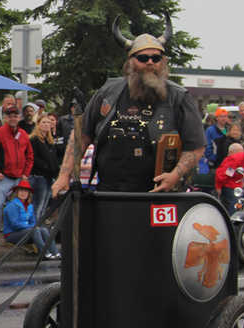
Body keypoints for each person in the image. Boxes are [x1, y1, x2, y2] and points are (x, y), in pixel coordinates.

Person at [51, 16, 205, 196]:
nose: (150, 62)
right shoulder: (108, 92)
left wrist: (175, 175)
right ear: (130, 61)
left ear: (163, 62)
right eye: (143, 57)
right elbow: (81, 136)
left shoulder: (179, 97)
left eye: (156, 58)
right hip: (109, 193)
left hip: (159, 195)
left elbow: (196, 147)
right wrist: (64, 176)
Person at [0, 103, 33, 244]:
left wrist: (26, 173)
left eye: (15, 116)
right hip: (3, 177)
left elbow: (30, 155)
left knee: (19, 206)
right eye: (10, 116)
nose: (13, 118)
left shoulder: (23, 134)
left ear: (19, 118)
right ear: (5, 118)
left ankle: (16, 233)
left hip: (19, 177)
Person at [3, 179, 59, 260]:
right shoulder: (12, 205)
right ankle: (44, 253)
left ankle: (55, 252)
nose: (23, 193)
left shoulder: (30, 206)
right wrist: (29, 226)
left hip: (26, 232)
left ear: (29, 194)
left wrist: (31, 227)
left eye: (26, 191)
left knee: (44, 230)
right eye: (21, 191)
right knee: (35, 230)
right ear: (17, 192)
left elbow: (33, 222)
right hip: (12, 235)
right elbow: (15, 225)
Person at [29, 113, 59, 219]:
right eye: (44, 122)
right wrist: (46, 167)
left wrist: (55, 171)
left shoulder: (50, 141)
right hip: (38, 176)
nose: (46, 124)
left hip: (49, 177)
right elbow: (34, 158)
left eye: (48, 122)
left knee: (44, 204)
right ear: (38, 124)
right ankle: (33, 229)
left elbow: (54, 159)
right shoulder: (34, 139)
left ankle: (38, 226)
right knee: (38, 204)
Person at [215, 143, 244, 215]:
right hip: (231, 186)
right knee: (234, 206)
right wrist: (218, 187)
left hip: (242, 186)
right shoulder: (235, 160)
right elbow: (225, 174)